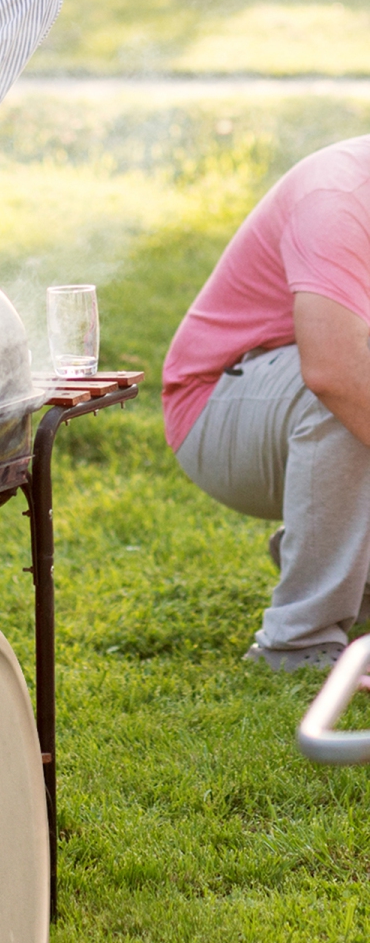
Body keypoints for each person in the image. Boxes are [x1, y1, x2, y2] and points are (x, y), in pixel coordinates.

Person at [164, 137, 370, 672]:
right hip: (218, 411)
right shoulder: (338, 196)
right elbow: (335, 375)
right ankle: (298, 641)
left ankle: (347, 565)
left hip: (293, 397)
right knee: (349, 391)